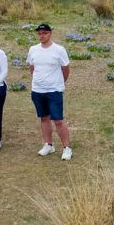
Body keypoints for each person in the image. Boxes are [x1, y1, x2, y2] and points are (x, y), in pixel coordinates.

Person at [27, 23, 72, 160]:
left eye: (44, 33)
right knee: (44, 118)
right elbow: (31, 67)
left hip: (54, 91)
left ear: (50, 34)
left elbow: (66, 69)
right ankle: (48, 144)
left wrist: (59, 83)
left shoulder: (59, 50)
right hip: (37, 90)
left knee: (58, 120)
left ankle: (67, 148)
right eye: (39, 33)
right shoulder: (33, 49)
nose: (41, 36)